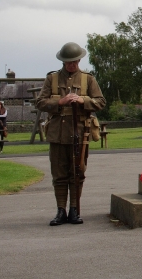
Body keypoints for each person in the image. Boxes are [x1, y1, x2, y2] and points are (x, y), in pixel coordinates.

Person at [36, 42, 105, 226]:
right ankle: (61, 210)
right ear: (63, 62)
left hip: (80, 132)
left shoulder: (88, 79)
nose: (71, 65)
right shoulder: (52, 79)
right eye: (68, 62)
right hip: (58, 133)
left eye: (74, 62)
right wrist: (60, 102)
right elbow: (40, 102)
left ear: (79, 60)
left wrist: (83, 100)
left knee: (77, 172)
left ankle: (74, 209)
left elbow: (100, 102)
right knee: (59, 174)